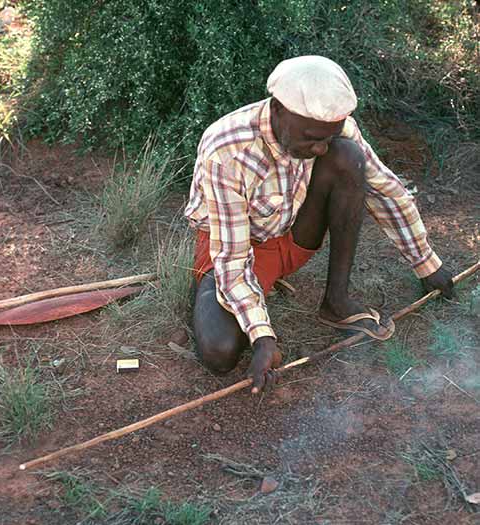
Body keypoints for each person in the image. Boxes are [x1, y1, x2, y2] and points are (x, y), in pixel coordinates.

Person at [185, 55, 454, 393]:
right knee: (220, 353)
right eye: (311, 138)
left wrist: (426, 263)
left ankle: (336, 301)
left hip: (292, 236)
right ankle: (212, 296)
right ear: (278, 110)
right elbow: (233, 259)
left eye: (326, 137)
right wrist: (262, 337)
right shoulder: (226, 149)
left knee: (348, 157)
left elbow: (386, 190)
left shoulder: (334, 130)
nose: (319, 148)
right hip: (231, 248)